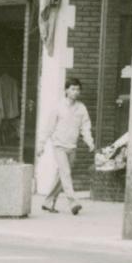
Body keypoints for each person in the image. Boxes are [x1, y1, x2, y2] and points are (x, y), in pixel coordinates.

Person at [38, 77, 94, 216]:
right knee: (66, 173)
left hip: (72, 146)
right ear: (66, 90)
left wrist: (89, 142)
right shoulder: (58, 107)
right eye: (73, 89)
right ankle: (73, 202)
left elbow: (85, 127)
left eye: (78, 89)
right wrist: (41, 144)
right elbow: (49, 128)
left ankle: (48, 202)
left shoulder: (81, 108)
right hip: (59, 145)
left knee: (61, 176)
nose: (76, 92)